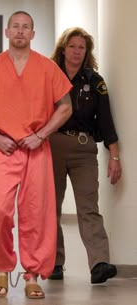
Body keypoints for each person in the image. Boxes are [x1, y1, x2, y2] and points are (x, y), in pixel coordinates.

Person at [0, 11, 72, 299]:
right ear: (7, 32)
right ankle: (1, 267)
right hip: (3, 148)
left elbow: (65, 106)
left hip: (36, 150)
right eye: (15, 26)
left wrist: (41, 135)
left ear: (33, 34)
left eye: (25, 27)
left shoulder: (47, 68)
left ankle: (32, 275)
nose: (19, 31)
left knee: (36, 214)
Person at [48, 27, 122, 284]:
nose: (77, 51)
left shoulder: (95, 81)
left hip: (84, 149)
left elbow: (106, 121)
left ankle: (99, 263)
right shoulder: (48, 75)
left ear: (86, 52)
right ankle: (54, 263)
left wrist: (114, 156)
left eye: (82, 47)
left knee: (89, 207)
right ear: (63, 49)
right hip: (52, 147)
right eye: (72, 46)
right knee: (50, 208)